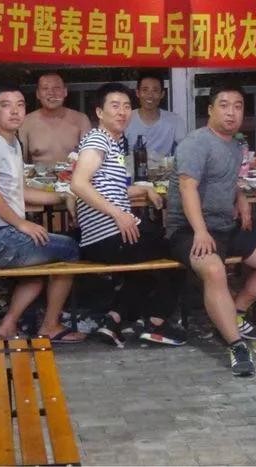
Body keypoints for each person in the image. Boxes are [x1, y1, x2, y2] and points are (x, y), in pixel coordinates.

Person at [165, 85, 256, 377]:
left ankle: (234, 312)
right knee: (214, 270)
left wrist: (241, 197)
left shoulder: (235, 145)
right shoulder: (196, 143)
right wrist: (200, 231)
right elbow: (187, 188)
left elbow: (227, 178)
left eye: (238, 106)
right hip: (188, 229)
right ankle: (236, 345)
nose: (231, 112)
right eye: (224, 105)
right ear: (210, 110)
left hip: (225, 226)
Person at [0, 84, 85, 342]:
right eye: (6, 105)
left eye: (20, 105)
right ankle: (50, 325)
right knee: (70, 249)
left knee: (41, 260)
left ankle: (8, 325)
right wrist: (21, 224)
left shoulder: (11, 142)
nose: (15, 111)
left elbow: (21, 191)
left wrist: (64, 196)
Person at [70, 82, 186, 348]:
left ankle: (112, 322)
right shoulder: (98, 139)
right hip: (108, 236)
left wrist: (144, 190)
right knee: (181, 252)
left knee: (144, 269)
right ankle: (157, 323)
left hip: (108, 237)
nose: (122, 112)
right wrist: (119, 214)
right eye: (114, 106)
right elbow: (79, 183)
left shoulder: (115, 142)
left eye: (125, 106)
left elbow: (110, 187)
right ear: (99, 112)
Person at [18, 73, 91, 164]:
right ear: (38, 94)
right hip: (38, 173)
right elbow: (20, 163)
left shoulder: (81, 120)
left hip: (74, 173)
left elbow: (90, 160)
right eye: (45, 88)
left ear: (65, 92)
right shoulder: (26, 122)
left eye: (56, 88)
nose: (51, 93)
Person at [124, 72, 186, 157]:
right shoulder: (125, 119)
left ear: (162, 94)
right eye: (145, 90)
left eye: (155, 90)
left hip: (164, 165)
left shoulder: (175, 121)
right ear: (137, 93)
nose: (150, 95)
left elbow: (185, 151)